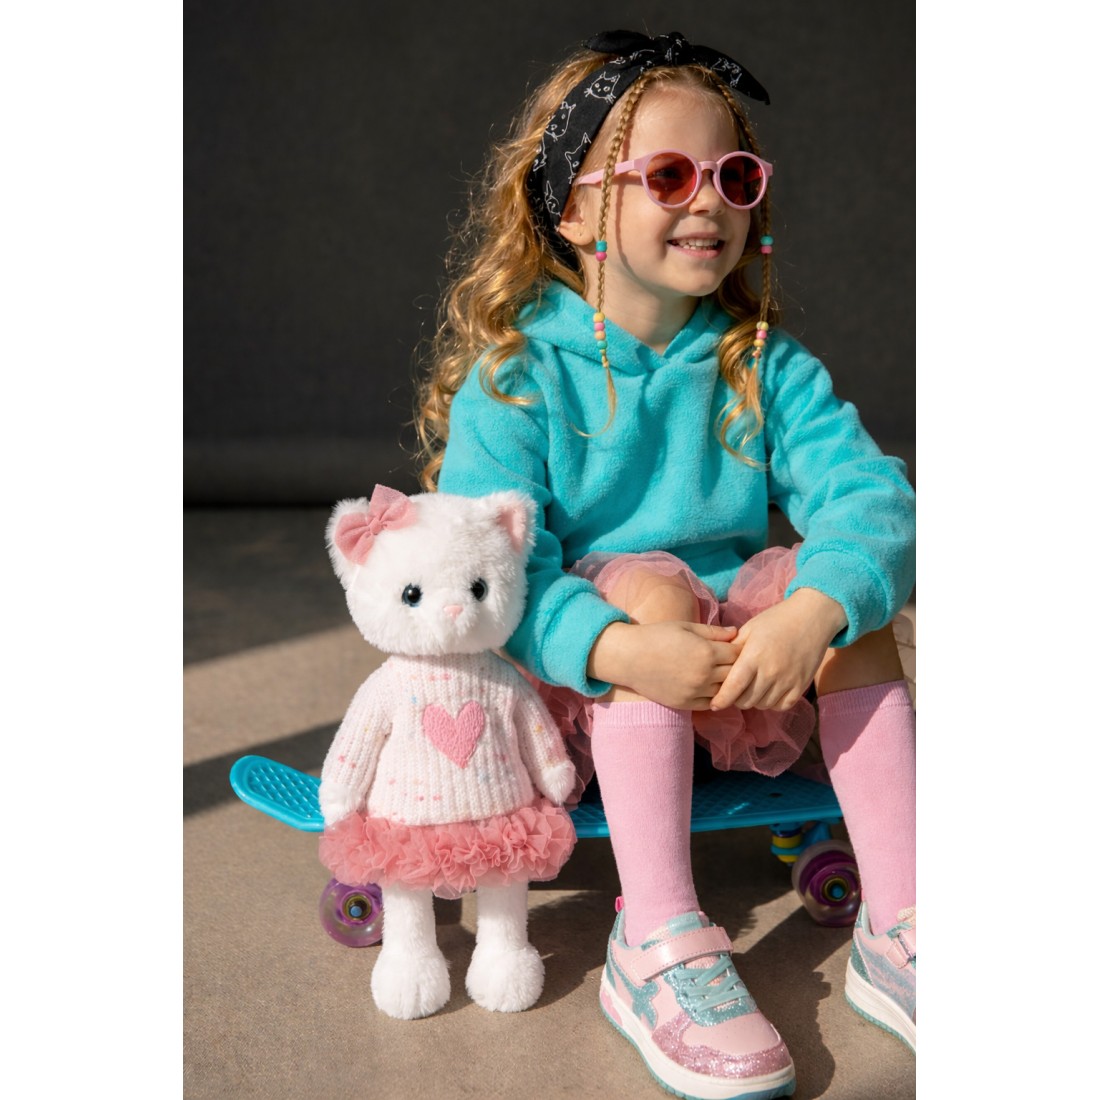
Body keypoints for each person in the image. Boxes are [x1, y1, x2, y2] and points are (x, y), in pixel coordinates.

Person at [415, 29, 915, 1100]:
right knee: (644, 586)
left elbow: (871, 498)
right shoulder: (516, 379)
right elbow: (482, 570)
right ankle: (654, 940)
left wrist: (809, 613)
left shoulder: (759, 361)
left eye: (734, 176)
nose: (710, 202)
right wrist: (620, 645)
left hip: (741, 685)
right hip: (581, 692)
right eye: (671, 175)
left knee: (849, 598)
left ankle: (902, 923)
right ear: (573, 207)